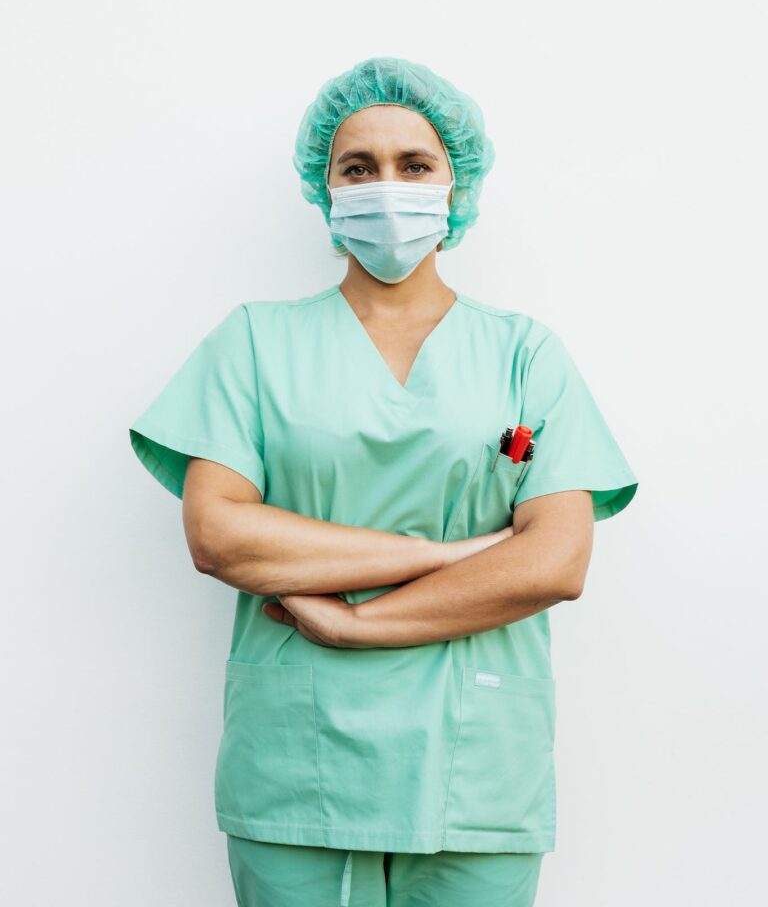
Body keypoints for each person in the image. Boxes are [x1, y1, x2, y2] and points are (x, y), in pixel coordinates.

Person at [129, 56, 638, 907]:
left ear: (457, 186)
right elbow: (219, 536)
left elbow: (554, 563)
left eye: (415, 166)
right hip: (300, 760)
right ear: (323, 189)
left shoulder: (524, 353)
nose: (386, 187)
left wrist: (358, 629)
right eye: (358, 168)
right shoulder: (254, 342)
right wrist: (448, 555)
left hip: (475, 768)